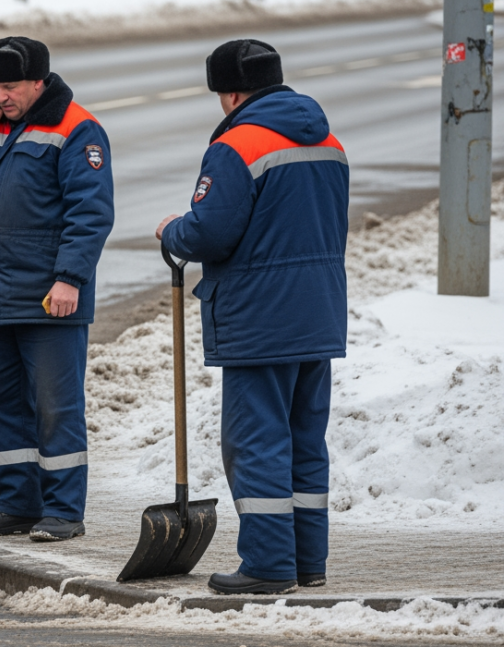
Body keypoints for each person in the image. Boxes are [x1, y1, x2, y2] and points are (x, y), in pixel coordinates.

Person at [156, 39, 348, 595]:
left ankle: (267, 565)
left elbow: (210, 232)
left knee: (257, 440)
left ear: (232, 94)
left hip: (260, 319)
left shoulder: (237, 145)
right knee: (304, 441)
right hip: (318, 313)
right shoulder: (328, 141)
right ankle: (307, 561)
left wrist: (172, 230)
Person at [0, 36, 114, 541]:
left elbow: (91, 213)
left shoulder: (77, 129)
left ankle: (64, 512)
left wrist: (70, 279)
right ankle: (18, 503)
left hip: (51, 298)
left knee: (56, 408)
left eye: (10, 86)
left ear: (39, 81)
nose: (1, 95)